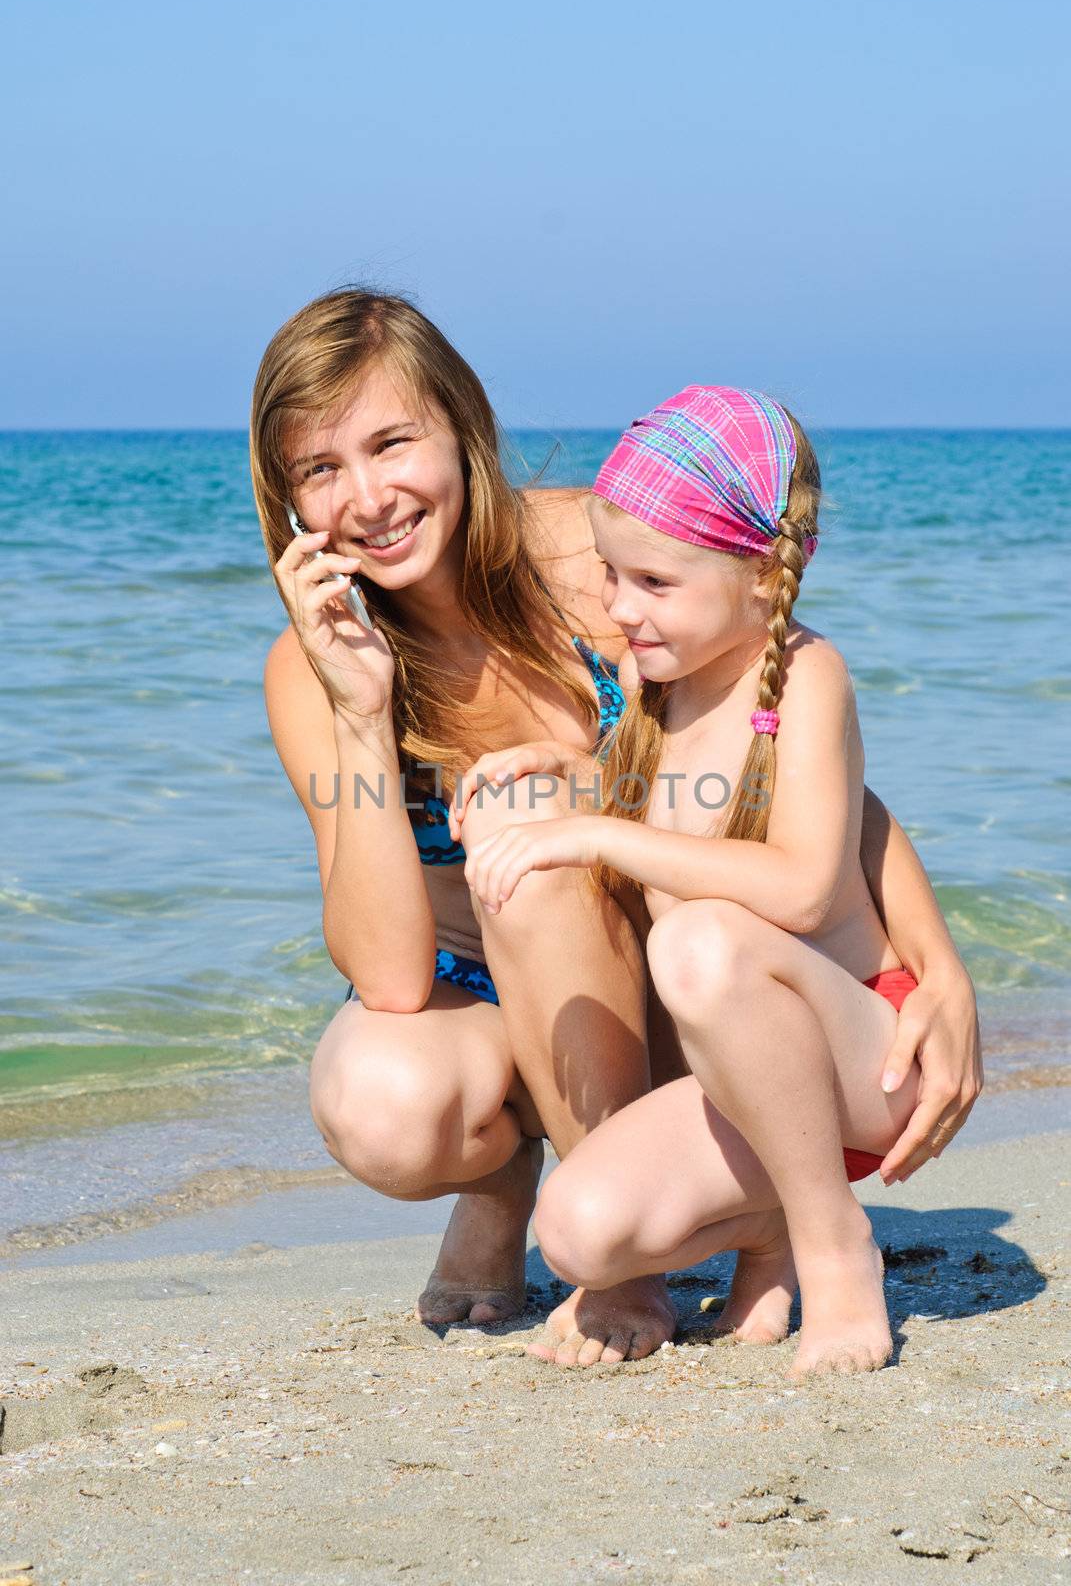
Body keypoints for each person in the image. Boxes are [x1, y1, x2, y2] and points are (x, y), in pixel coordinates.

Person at [253, 292, 981, 1366]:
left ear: (462, 423)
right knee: (380, 1103)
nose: (367, 497)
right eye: (321, 469)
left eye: (392, 442)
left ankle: (633, 1265)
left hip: (675, 970)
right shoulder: (310, 668)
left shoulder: (595, 556)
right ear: (286, 497)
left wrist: (938, 964)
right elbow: (393, 979)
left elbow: (796, 762)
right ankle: (512, 1182)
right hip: (493, 1003)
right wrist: (363, 712)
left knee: (531, 831)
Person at [462, 385, 981, 1374]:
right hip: (762, 1086)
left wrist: (600, 841)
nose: (618, 607)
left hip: (864, 1054)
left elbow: (803, 889)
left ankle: (834, 1248)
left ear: (760, 575)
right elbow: (678, 805)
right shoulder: (658, 686)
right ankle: (771, 1226)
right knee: (579, 1232)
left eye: (653, 581)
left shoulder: (804, 674)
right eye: (611, 576)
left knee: (695, 940)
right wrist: (571, 777)